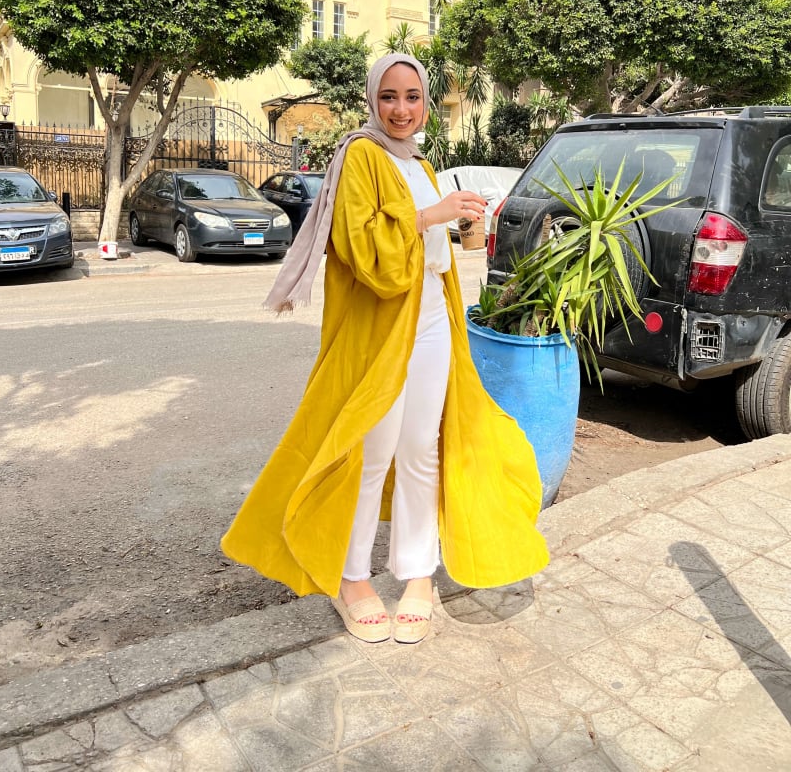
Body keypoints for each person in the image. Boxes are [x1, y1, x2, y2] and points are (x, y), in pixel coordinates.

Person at [221, 53, 549, 644]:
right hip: (381, 330)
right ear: (372, 99)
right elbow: (363, 249)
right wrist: (433, 215)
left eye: (413, 96)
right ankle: (352, 580)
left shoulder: (419, 162)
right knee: (368, 453)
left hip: (431, 325)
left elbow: (437, 254)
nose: (401, 109)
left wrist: (457, 221)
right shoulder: (359, 156)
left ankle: (418, 574)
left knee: (422, 450)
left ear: (426, 102)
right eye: (390, 96)